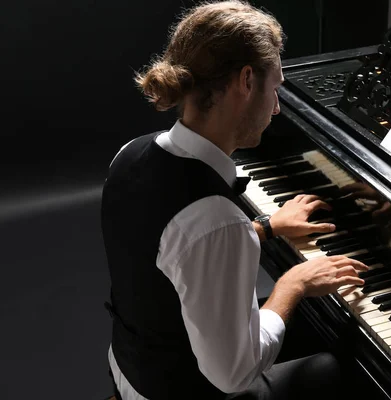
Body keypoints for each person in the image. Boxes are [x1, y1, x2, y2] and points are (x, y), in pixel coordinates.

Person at [100, 1, 368, 399]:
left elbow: (172, 256)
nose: (277, 107)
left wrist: (266, 228)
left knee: (312, 326)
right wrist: (291, 285)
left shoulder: (129, 154)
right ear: (246, 80)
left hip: (131, 367)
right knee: (331, 368)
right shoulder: (214, 220)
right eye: (274, 87)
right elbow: (233, 375)